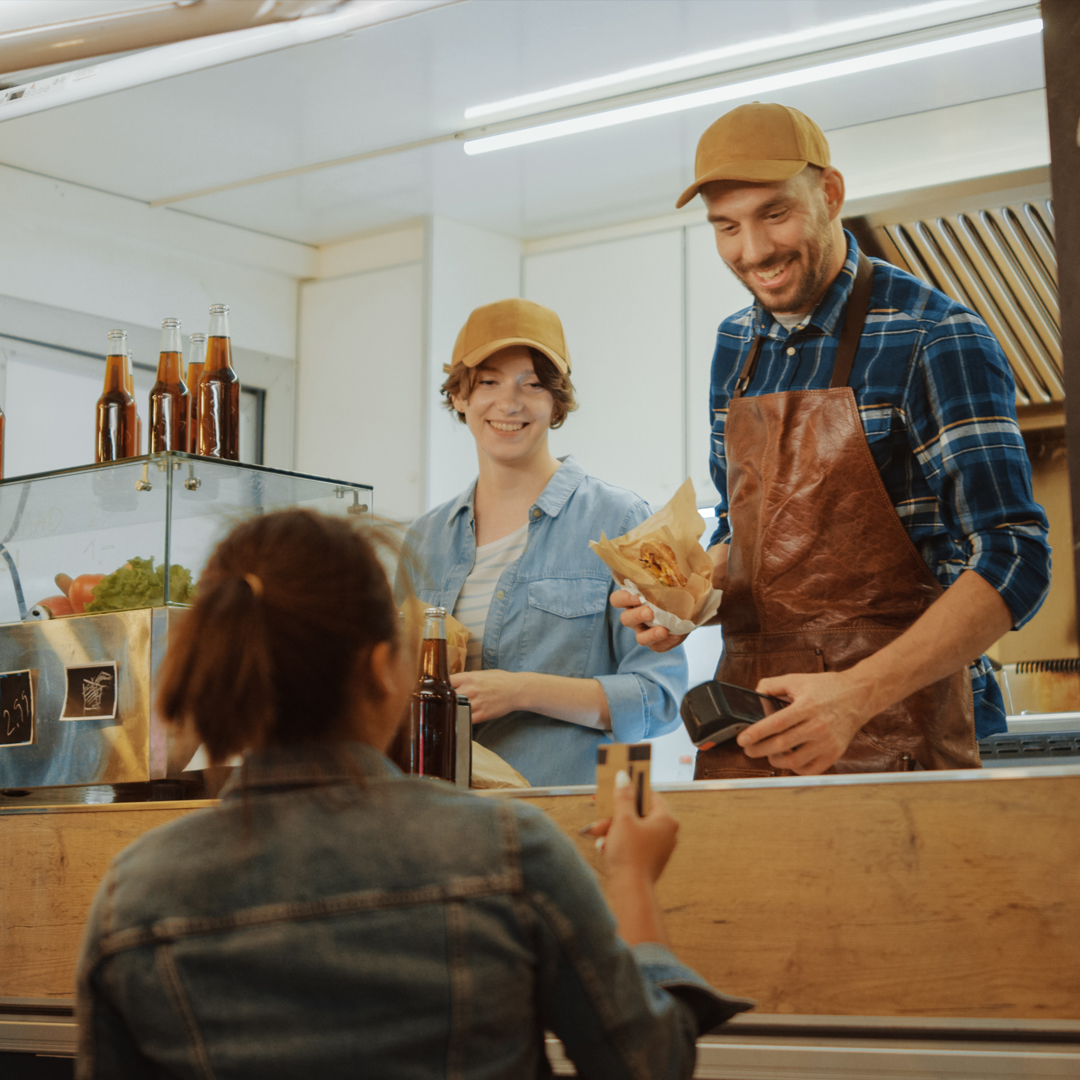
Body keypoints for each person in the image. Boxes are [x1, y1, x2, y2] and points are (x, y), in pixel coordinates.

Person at [75, 509, 750, 1079]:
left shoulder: (133, 897)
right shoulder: (510, 852)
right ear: (380, 671)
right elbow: (647, 1063)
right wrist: (632, 878)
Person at [615, 102, 1050, 780]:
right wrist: (682, 598)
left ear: (831, 194)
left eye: (775, 214)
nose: (752, 251)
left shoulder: (932, 336)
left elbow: (1016, 557)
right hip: (750, 729)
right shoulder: (738, 346)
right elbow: (749, 543)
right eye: (726, 227)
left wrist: (855, 695)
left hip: (899, 732)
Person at [401, 298, 687, 786]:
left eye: (532, 384)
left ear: (556, 401)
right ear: (459, 397)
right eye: (488, 382)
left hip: (562, 820)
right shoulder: (423, 541)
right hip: (440, 823)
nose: (509, 403)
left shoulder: (624, 521)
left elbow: (659, 699)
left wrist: (521, 691)